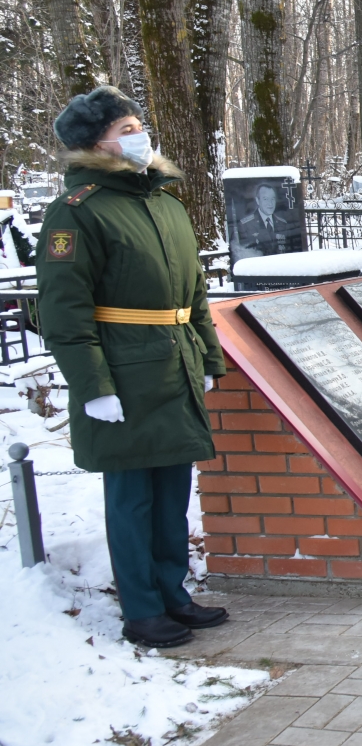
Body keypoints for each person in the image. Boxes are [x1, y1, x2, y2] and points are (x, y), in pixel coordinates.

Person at [37, 86, 229, 649]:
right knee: (131, 498)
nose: (139, 134)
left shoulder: (166, 205)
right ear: (97, 143)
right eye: (127, 127)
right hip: (123, 372)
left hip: (173, 367)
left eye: (138, 124)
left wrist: (208, 356)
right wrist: (92, 385)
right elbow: (63, 310)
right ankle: (142, 610)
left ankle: (174, 595)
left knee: (172, 491)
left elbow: (193, 293)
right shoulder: (79, 212)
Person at [235, 183, 296, 257]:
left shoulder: (283, 223)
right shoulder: (245, 225)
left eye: (272, 199)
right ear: (258, 200)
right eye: (265, 199)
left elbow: (289, 250)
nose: (270, 203)